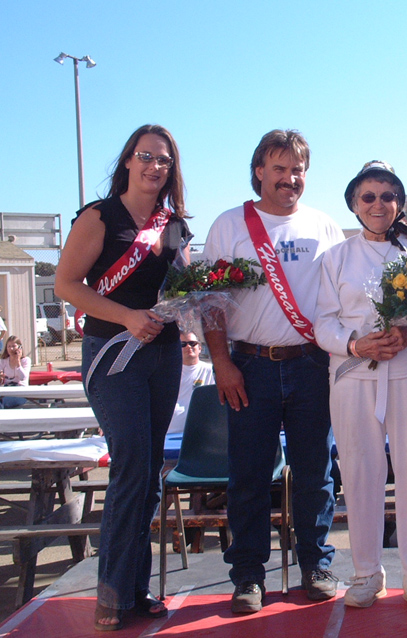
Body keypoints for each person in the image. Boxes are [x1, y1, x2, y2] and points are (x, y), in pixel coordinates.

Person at [54, 124, 191, 631]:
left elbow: (183, 285)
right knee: (131, 464)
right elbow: (67, 285)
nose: (155, 166)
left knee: (149, 470)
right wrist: (127, 316)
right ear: (128, 161)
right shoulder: (100, 216)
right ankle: (111, 593)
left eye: (164, 160)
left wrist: (206, 290)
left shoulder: (172, 224)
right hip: (113, 354)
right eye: (146, 156)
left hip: (164, 354)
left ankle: (134, 588)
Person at [202, 130, 342, 614]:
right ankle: (248, 575)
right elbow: (210, 302)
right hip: (248, 366)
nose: (289, 178)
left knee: (316, 473)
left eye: (297, 169)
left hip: (311, 364)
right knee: (249, 476)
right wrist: (221, 363)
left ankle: (316, 564)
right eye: (279, 169)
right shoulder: (229, 225)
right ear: (259, 171)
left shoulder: (324, 226)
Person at [315, 161, 407, 611]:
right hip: (354, 376)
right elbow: (323, 322)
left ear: (399, 203)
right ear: (354, 204)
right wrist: (355, 345)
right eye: (368, 196)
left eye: (388, 196)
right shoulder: (335, 258)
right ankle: (367, 572)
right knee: (359, 473)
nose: (378, 204)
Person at [167, 332, 215, 435]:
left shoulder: (212, 372)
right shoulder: (166, 373)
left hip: (200, 434)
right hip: (170, 433)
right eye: (183, 344)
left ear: (200, 348)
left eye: (193, 343)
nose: (188, 347)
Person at [0, 336, 31, 408]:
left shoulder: (25, 360)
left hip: (20, 390)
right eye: (9, 346)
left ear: (19, 347)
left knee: (1, 402)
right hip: (7, 389)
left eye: (14, 346)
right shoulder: (3, 361)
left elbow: (23, 377)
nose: (11, 349)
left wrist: (18, 362)